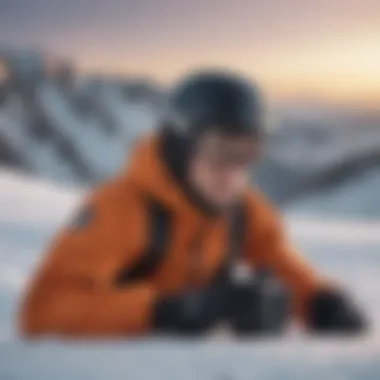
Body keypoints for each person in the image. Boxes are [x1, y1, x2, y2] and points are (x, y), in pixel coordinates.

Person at [19, 70, 367, 338]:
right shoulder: (122, 208)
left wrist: (320, 302)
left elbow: (283, 264)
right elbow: (41, 311)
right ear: (180, 146)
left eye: (246, 154)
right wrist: (164, 312)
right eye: (219, 151)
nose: (232, 172)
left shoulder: (241, 210)